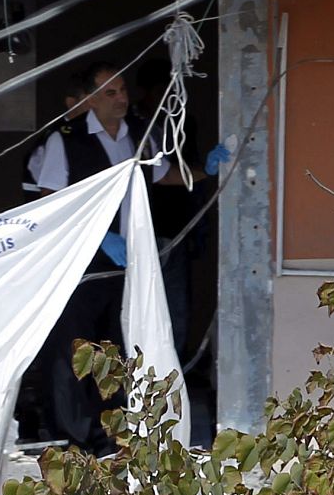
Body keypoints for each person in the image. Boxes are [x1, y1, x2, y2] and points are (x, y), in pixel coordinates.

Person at [32, 62, 228, 454]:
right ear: (89, 100)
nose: (121, 98)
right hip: (83, 263)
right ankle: (76, 438)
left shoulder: (138, 134)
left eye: (122, 90)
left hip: (125, 263)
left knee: (118, 348)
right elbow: (49, 199)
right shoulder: (65, 140)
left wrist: (203, 170)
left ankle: (113, 432)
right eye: (110, 93)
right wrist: (101, 238)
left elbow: (163, 175)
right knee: (75, 350)